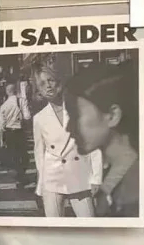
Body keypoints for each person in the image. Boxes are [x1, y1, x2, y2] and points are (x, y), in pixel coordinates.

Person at [65, 60, 140, 217]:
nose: (68, 128)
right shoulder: (117, 173)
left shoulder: (134, 192)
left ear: (112, 116)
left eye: (75, 115)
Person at [31, 58, 103, 218]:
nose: (48, 86)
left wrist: (96, 178)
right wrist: (41, 183)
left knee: (88, 223)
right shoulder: (39, 118)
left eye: (50, 80)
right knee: (55, 226)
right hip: (52, 178)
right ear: (39, 91)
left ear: (58, 82)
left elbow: (94, 144)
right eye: (42, 84)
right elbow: (39, 154)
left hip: (79, 175)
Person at [0, 83, 27, 184]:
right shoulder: (22, 101)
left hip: (9, 133)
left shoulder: (3, 106)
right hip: (20, 131)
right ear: (16, 91)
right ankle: (21, 174)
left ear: (7, 92)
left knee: (14, 154)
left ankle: (18, 176)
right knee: (23, 154)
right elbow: (27, 116)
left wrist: (1, 140)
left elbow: (2, 126)